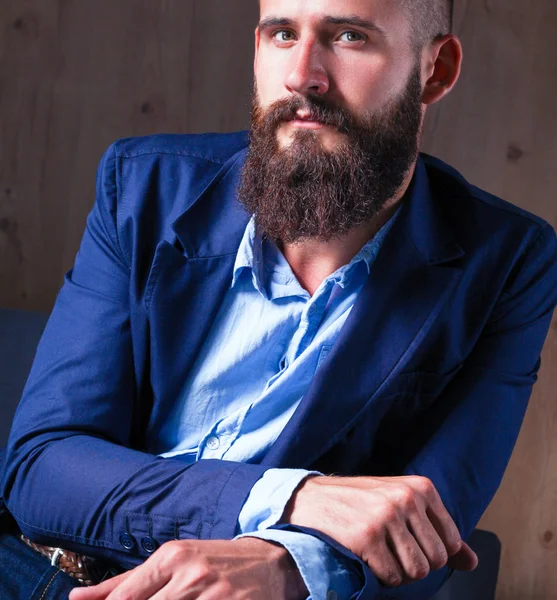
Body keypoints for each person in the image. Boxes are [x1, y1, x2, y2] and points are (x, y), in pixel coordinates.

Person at [1, 0, 556, 598]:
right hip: (37, 571)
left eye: (349, 37)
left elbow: (430, 531)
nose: (301, 75)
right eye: (283, 33)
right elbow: (41, 467)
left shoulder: (508, 262)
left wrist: (289, 567)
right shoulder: (142, 186)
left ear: (436, 70)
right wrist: (294, 497)